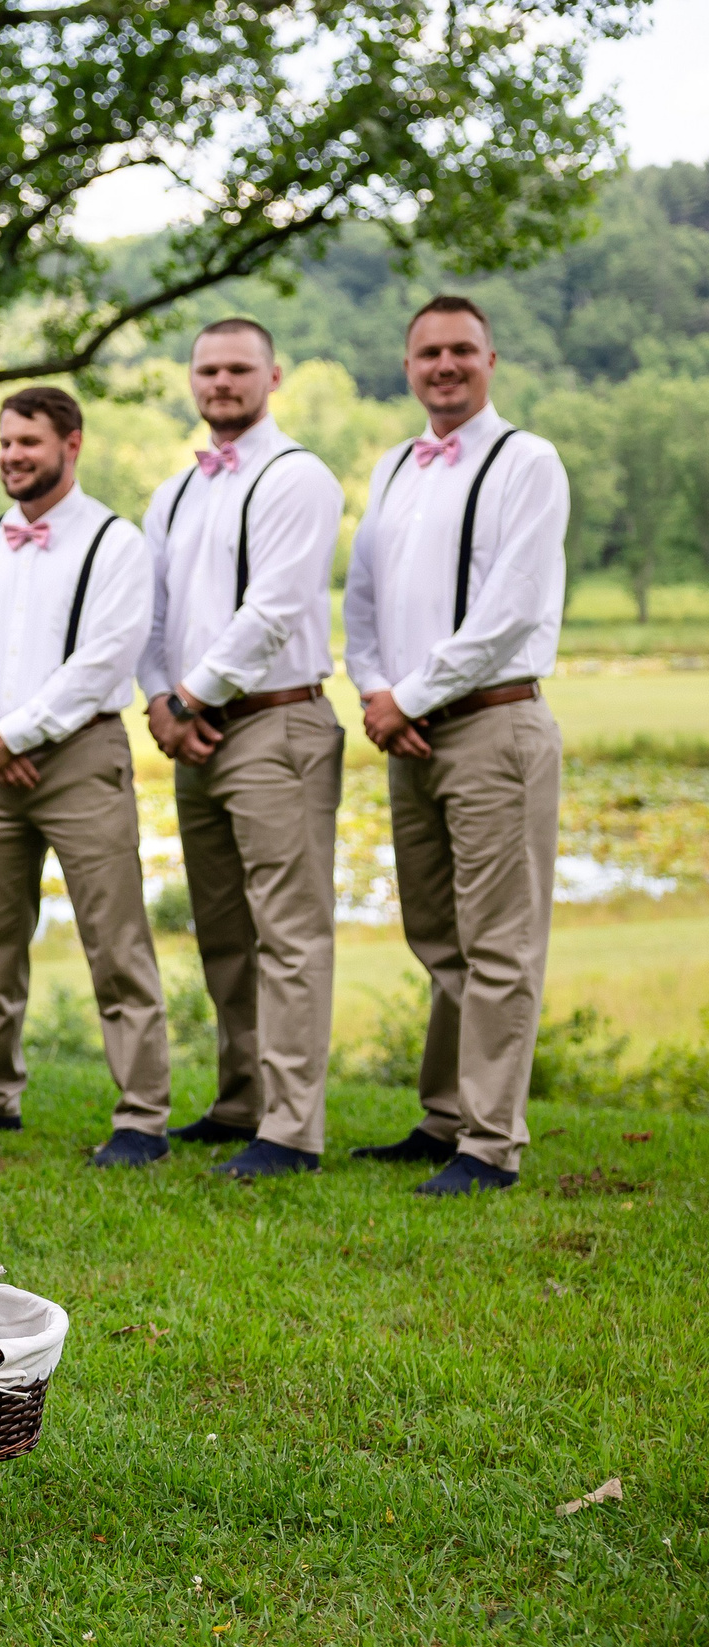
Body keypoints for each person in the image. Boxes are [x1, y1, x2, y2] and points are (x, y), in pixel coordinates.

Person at [343, 296, 570, 1197]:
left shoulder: (528, 462)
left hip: (492, 723)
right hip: (412, 731)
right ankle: (443, 1116)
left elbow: (508, 608)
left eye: (462, 350)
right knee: (436, 932)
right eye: (429, 351)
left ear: (491, 358)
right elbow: (361, 597)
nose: (445, 364)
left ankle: (490, 1142)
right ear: (408, 366)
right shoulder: (397, 463)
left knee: (500, 940)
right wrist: (374, 690)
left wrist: (411, 694)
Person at [0, 387, 172, 1164]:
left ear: (72, 444)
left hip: (79, 757)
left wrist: (16, 731)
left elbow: (105, 657)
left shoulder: (116, 543)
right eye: (6, 442)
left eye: (29, 442)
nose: (13, 455)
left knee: (115, 936)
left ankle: (142, 1114)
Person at [138, 320, 347, 1179]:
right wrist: (159, 697)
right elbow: (148, 616)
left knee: (289, 931)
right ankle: (241, 1099)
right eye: (208, 369)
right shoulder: (175, 492)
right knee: (222, 927)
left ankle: (292, 1128)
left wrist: (191, 694)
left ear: (274, 374)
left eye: (238, 369)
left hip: (274, 722)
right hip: (195, 731)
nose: (221, 382)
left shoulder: (298, 477)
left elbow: (275, 610)